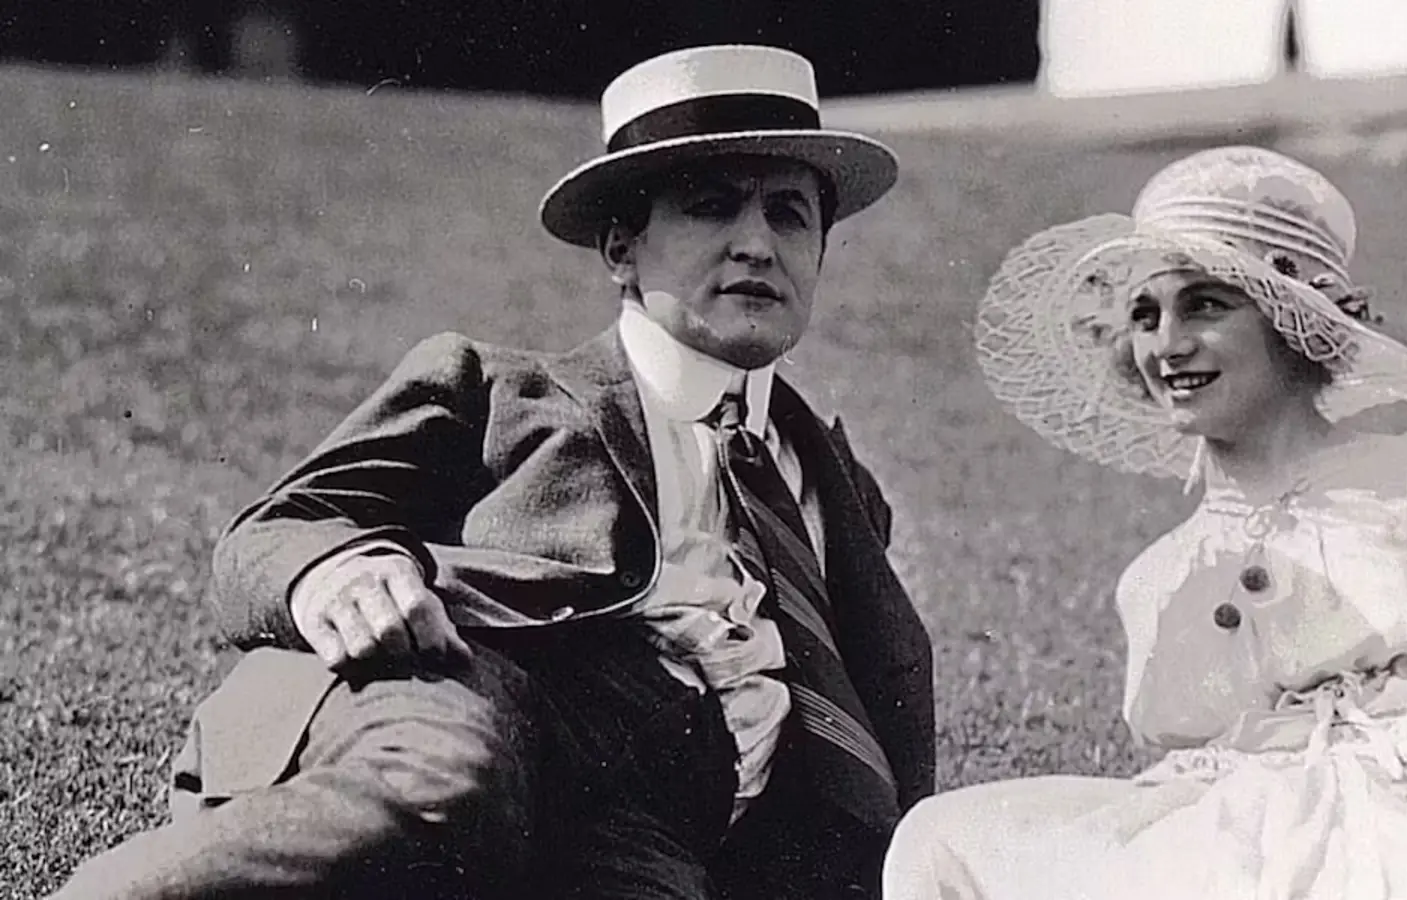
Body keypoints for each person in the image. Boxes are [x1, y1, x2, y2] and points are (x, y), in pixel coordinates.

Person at [51, 44, 934, 899]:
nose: (757, 244)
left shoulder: (832, 486)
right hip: (470, 690)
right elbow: (273, 528)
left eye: (790, 214)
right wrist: (338, 572)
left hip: (651, 813)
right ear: (620, 247)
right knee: (448, 788)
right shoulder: (497, 389)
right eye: (712, 206)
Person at [882, 146, 1407, 899]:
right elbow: (1199, 779)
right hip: (1247, 831)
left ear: (1292, 320)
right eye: (1144, 315)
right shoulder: (1157, 578)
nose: (1168, 345)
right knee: (942, 836)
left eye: (1204, 305)